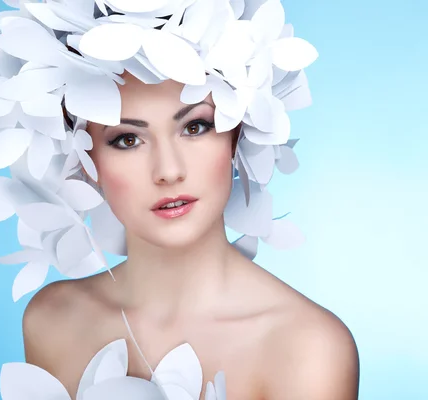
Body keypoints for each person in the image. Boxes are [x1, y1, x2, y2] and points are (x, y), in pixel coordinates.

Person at [22, 73, 360, 400]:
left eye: (194, 127)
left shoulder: (307, 348)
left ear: (235, 135)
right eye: (128, 139)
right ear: (86, 161)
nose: (169, 171)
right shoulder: (53, 321)